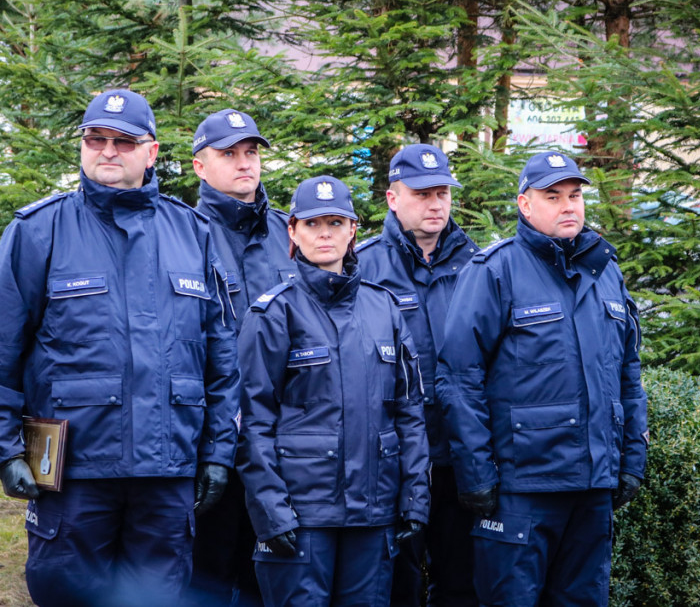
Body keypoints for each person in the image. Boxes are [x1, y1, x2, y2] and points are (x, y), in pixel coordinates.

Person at [0, 89, 240, 606]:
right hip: (76, 469)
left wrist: (218, 453)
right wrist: (3, 449)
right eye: (96, 139)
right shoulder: (37, 230)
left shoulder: (194, 233)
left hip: (168, 467)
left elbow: (221, 358)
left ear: (152, 152)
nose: (108, 151)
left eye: (124, 141)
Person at [436, 151, 648, 606]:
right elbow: (458, 378)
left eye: (575, 196)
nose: (568, 205)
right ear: (524, 204)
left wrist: (631, 459)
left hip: (592, 487)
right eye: (552, 196)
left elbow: (627, 371)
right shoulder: (494, 270)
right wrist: (476, 474)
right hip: (521, 490)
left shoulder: (605, 272)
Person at [237, 175, 431, 607]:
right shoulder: (273, 314)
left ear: (352, 230)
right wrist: (271, 509)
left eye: (335, 222)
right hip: (302, 517)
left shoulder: (385, 308)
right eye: (312, 224)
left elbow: (409, 414)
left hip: (374, 516)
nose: (324, 233)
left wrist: (415, 500)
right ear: (292, 232)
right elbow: (253, 420)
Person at [357, 144, 480, 606]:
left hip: (457, 455)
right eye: (423, 193)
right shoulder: (363, 265)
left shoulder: (478, 265)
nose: (436, 204)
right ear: (393, 197)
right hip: (392, 458)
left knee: (461, 582)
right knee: (395, 583)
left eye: (443, 193)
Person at [187, 109, 295, 606]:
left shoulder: (288, 234)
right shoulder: (182, 233)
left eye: (250, 152)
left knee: (271, 576)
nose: (244, 163)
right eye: (228, 153)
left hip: (284, 441)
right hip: (211, 441)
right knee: (206, 572)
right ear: (199, 166)